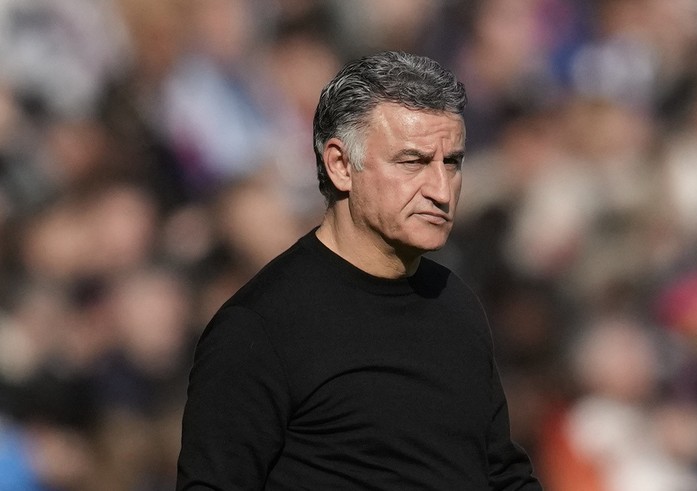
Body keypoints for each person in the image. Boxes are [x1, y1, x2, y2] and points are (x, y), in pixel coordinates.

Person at [176, 51, 542, 490]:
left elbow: (501, 474)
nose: (441, 190)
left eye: (452, 162)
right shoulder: (260, 328)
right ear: (340, 165)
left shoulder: (455, 303)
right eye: (413, 162)